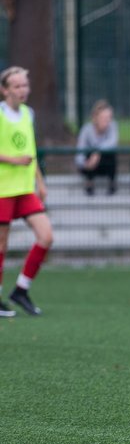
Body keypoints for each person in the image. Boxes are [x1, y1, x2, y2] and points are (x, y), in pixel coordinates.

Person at [0, 66, 54, 318]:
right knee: (1, 244)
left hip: (24, 189)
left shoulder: (27, 114)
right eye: (17, 86)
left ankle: (21, 289)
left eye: (25, 85)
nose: (23, 90)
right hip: (3, 189)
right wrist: (12, 159)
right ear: (5, 89)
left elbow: (30, 153)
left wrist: (39, 182)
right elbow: (18, 156)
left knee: (46, 236)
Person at [76, 99, 119, 196]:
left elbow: (112, 142)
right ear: (95, 117)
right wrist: (84, 164)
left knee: (110, 154)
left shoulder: (113, 126)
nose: (107, 121)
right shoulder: (86, 129)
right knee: (88, 153)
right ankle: (89, 183)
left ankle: (112, 184)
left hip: (105, 162)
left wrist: (97, 152)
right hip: (90, 165)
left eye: (109, 118)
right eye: (104, 118)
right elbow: (80, 151)